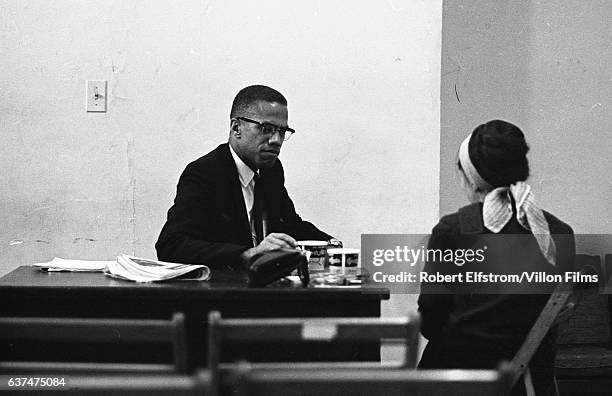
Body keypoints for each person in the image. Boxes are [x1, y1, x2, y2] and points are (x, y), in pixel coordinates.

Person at [417, 120, 575, 395]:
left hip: (456, 381)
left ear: (472, 179)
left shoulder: (453, 229)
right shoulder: (558, 232)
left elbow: (430, 322)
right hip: (529, 382)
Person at [156, 85, 339, 271]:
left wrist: (333, 245)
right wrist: (247, 254)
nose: (276, 140)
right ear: (237, 128)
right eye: (266, 128)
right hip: (223, 293)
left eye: (282, 132)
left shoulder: (271, 170)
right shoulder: (205, 173)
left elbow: (290, 225)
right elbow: (171, 245)